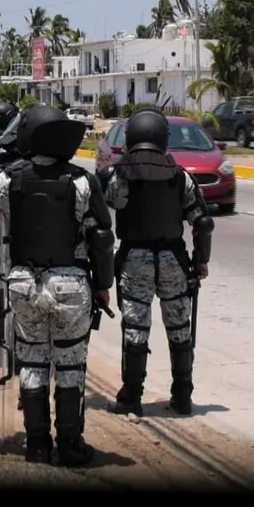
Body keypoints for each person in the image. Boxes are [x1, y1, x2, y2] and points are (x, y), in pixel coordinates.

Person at [0, 104, 115, 466]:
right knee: (70, 365)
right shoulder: (81, 180)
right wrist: (103, 285)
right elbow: (102, 237)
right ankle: (71, 446)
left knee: (32, 362)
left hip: (24, 284)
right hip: (71, 284)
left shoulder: (6, 178)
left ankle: (37, 446)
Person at [97, 110, 211, 417]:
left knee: (135, 328)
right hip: (174, 259)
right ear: (163, 138)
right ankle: (183, 397)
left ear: (131, 136)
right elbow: (203, 222)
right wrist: (201, 261)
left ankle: (131, 397)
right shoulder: (180, 176)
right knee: (180, 330)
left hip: (135, 260)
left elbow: (96, 208)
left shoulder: (118, 175)